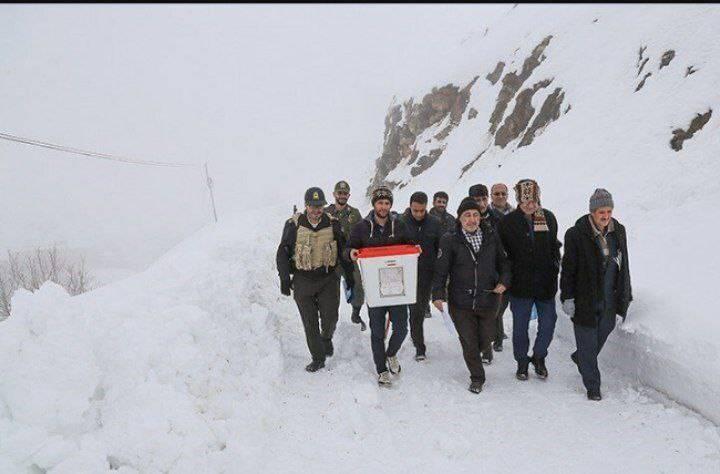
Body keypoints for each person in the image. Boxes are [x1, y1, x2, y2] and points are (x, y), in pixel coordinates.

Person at [432, 197, 511, 393]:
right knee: (469, 341)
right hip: (461, 301)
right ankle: (477, 377)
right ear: (459, 218)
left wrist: (504, 281)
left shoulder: (491, 236)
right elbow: (441, 270)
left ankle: (479, 350)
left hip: (488, 298)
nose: (472, 219)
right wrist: (438, 294)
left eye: (475, 215)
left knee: (486, 338)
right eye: (467, 215)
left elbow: (504, 263)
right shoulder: (449, 239)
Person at [560, 189, 632, 401]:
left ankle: (581, 358)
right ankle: (593, 386)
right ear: (592, 212)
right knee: (587, 341)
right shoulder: (576, 234)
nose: (606, 215)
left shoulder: (619, 231)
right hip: (585, 297)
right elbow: (568, 268)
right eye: (602, 211)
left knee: (606, 328)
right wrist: (567, 296)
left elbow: (624, 264)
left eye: (609, 211)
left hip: (609, 295)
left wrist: (626, 293)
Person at [277, 187, 355, 372]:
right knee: (309, 322)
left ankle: (326, 337)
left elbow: (344, 251)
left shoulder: (333, 223)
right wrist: (284, 279)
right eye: (313, 206)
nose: (316, 210)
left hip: (327, 278)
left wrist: (350, 277)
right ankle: (317, 358)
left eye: (320, 206)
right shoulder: (293, 224)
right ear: (306, 206)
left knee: (330, 317)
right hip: (303, 279)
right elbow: (283, 252)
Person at [347, 186, 413, 386]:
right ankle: (381, 370)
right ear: (374, 204)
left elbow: (411, 245)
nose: (383, 207)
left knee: (402, 328)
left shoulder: (399, 225)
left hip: (397, 288)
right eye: (380, 202)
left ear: (390, 205)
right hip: (375, 289)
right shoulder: (362, 227)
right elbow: (349, 247)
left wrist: (416, 249)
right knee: (377, 331)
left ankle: (391, 353)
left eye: (386, 203)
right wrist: (351, 253)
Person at [498, 179, 561, 381]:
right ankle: (522, 362)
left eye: (533, 200)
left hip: (545, 285)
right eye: (526, 201)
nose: (530, 205)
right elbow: (502, 254)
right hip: (520, 286)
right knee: (519, 329)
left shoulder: (548, 218)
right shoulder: (508, 223)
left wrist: (555, 265)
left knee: (549, 324)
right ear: (518, 200)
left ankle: (539, 357)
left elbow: (554, 245)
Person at [400, 191, 441, 361]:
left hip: (426, 274)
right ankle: (414, 338)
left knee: (418, 311)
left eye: (421, 211)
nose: (418, 214)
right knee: (409, 311)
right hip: (405, 274)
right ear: (410, 206)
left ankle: (419, 346)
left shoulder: (434, 223)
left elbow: (440, 248)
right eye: (415, 210)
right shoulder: (400, 222)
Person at [325, 180, 367, 331]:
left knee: (358, 287)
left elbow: (363, 233)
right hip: (329, 259)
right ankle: (330, 323)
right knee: (330, 293)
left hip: (348, 257)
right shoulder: (325, 212)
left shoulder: (354, 213)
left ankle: (356, 314)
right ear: (334, 194)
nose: (342, 196)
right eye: (340, 193)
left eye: (345, 193)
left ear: (348, 195)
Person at [469, 183, 503, 363]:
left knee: (492, 312)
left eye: (484, 199)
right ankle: (483, 346)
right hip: (471, 275)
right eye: (477, 200)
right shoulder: (465, 219)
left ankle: (488, 346)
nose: (481, 203)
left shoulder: (498, 219)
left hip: (493, 274)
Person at [489, 183, 514, 352]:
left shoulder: (515, 214)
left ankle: (497, 332)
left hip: (513, 264)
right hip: (494, 265)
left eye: (503, 193)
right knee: (497, 303)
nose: (500, 196)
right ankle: (497, 338)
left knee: (505, 304)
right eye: (496, 193)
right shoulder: (486, 215)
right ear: (492, 195)